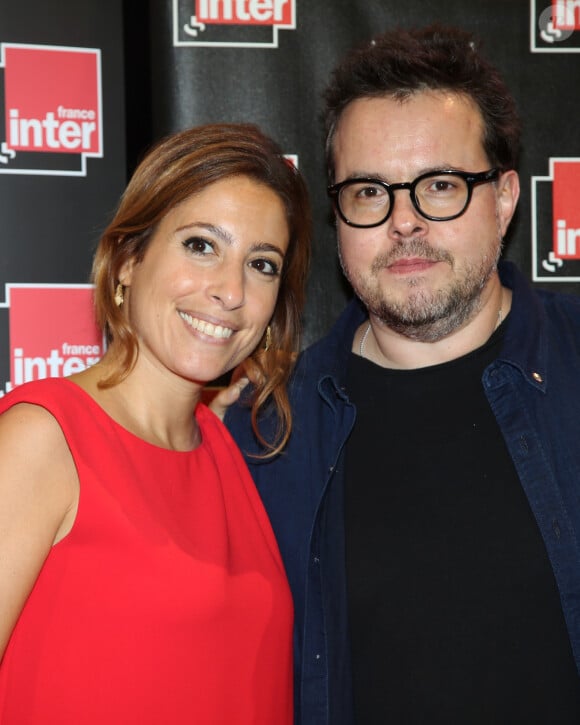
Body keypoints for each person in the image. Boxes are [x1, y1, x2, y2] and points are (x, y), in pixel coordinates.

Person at [226, 25, 580, 724]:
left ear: (505, 199)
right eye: (368, 193)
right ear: (337, 215)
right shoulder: (269, 431)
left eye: (441, 186)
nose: (404, 223)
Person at [0, 122, 311, 723]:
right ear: (126, 261)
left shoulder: (226, 447)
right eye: (201, 245)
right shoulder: (42, 440)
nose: (231, 290)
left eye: (263, 264)